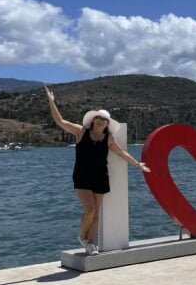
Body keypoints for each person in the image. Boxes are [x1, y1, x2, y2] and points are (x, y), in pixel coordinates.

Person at [45, 87, 150, 255]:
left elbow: (122, 153)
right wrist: (51, 101)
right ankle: (83, 237)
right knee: (90, 210)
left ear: (107, 124)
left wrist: (138, 165)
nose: (101, 121)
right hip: (82, 177)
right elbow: (60, 121)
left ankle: (90, 243)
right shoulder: (81, 132)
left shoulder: (108, 139)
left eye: (105, 120)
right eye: (99, 118)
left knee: (96, 215)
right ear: (93, 120)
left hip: (101, 177)